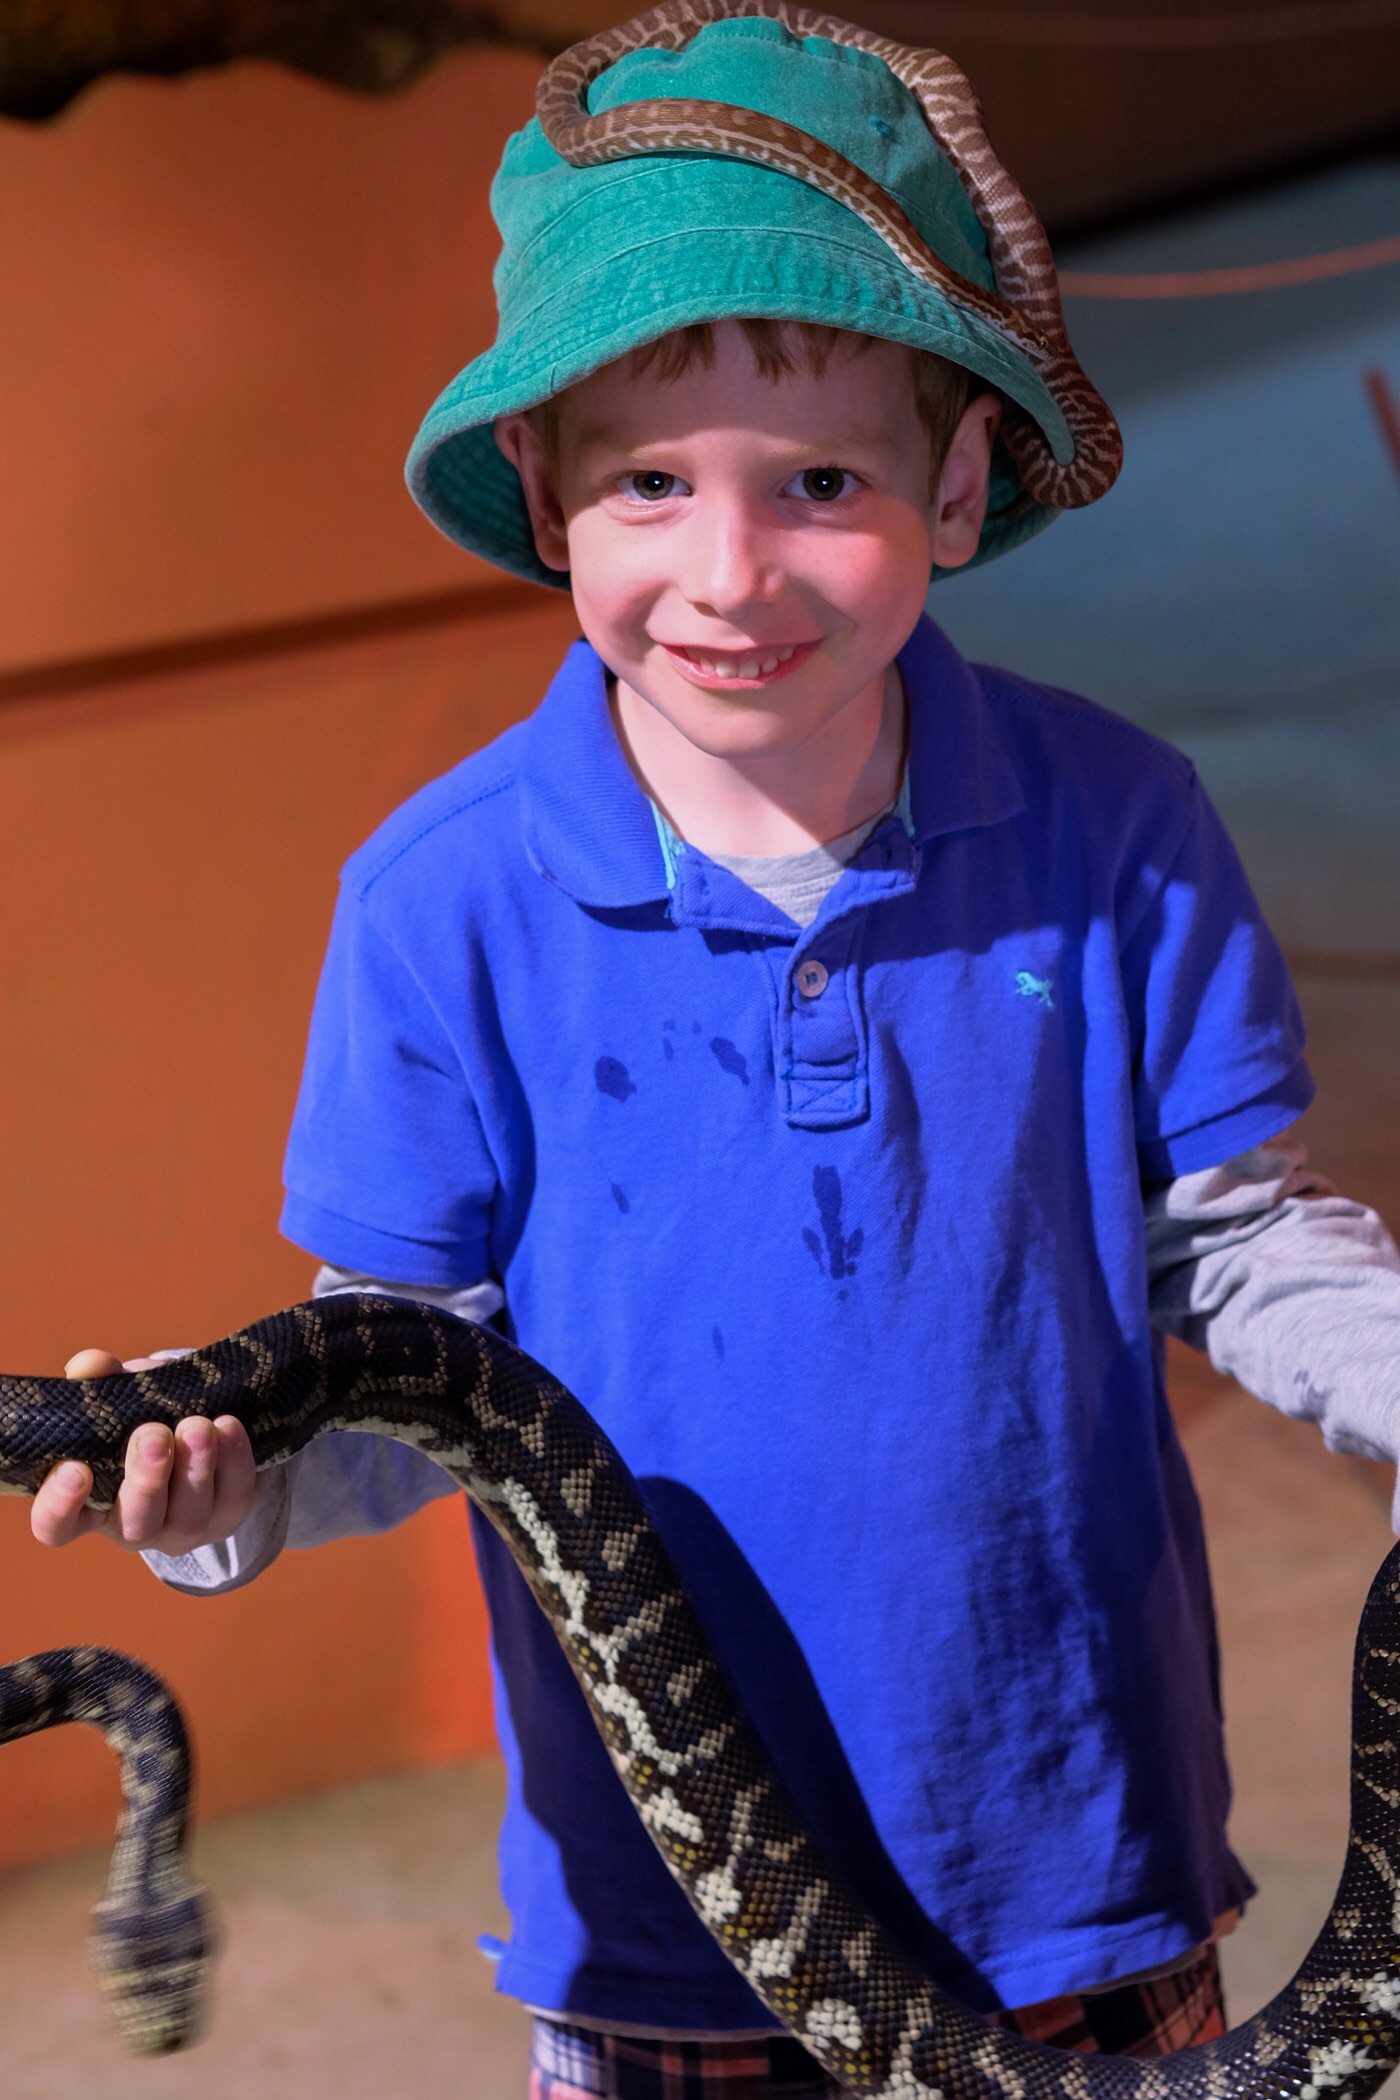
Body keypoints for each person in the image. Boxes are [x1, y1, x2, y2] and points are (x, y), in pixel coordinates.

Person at [32, 5, 1400, 2096]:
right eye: (652, 484)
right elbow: (407, 1368)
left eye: (822, 482)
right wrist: (225, 1497)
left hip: (1075, 1869)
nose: (730, 570)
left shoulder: (1116, 824)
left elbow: (1225, 1244)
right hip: (663, 1947)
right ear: (547, 499)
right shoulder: (445, 900)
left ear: (955, 485)